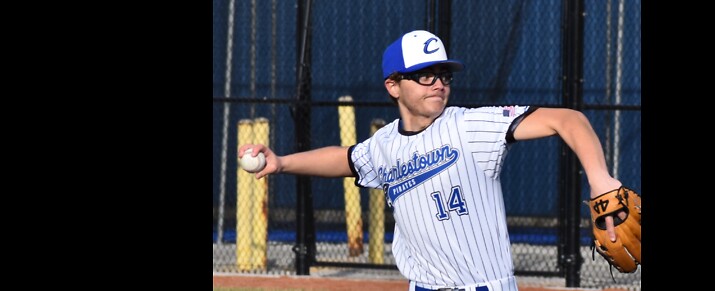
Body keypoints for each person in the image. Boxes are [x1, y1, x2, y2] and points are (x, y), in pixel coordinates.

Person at [237, 30, 631, 291]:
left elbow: (568, 120)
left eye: (443, 74)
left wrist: (600, 179)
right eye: (424, 75)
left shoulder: (470, 125)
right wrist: (282, 162)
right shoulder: (385, 144)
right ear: (393, 85)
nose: (438, 83)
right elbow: (346, 159)